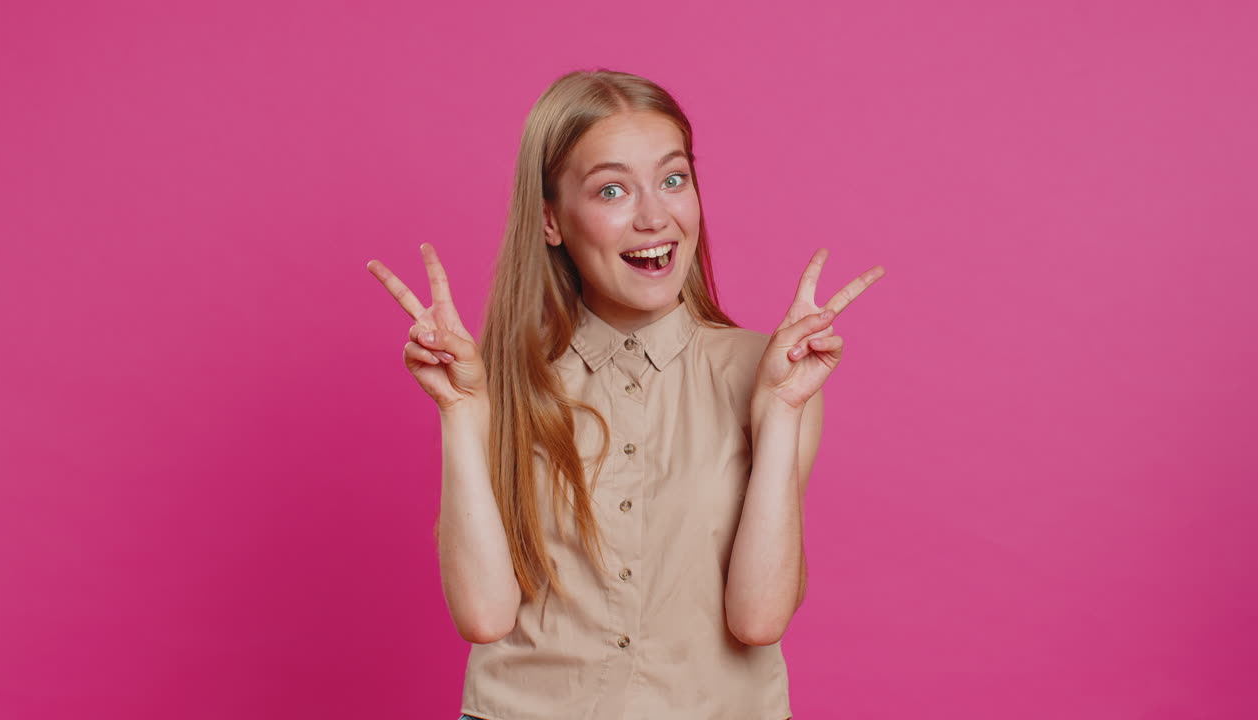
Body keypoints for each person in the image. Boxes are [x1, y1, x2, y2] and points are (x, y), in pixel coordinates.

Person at [366, 69, 884, 720]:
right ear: (552, 220)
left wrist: (780, 411)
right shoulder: (496, 382)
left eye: (673, 179)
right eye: (612, 189)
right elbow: (483, 617)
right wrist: (462, 413)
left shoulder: (771, 374)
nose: (653, 216)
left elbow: (758, 619)